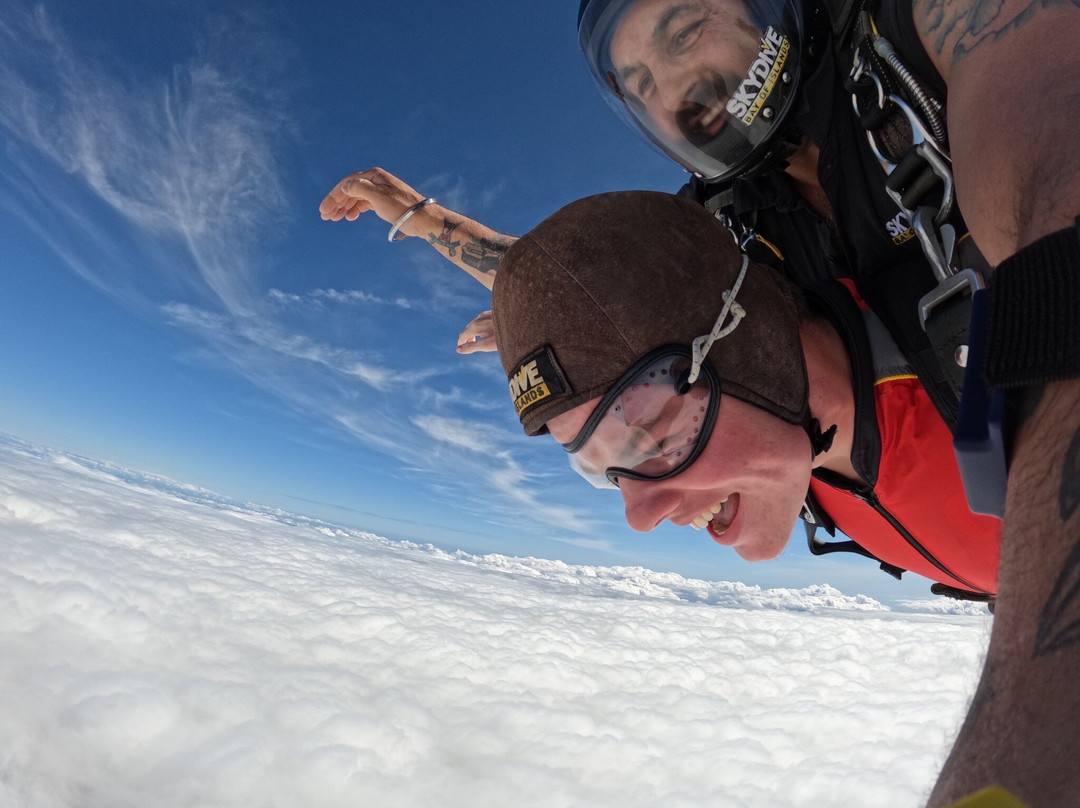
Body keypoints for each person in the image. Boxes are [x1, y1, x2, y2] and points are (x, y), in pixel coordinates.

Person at [490, 191, 1001, 602]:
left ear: (743, 338)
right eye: (602, 471)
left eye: (654, 442)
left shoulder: (1001, 359)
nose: (640, 517)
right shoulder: (795, 463)